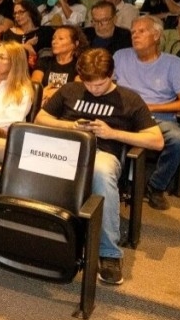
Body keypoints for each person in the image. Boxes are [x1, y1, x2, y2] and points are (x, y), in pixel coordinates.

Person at [36, 48, 163, 286]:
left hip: (101, 153)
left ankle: (109, 253)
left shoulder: (129, 99)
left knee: (101, 173)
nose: (94, 89)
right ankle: (33, 233)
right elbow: (40, 118)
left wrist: (112, 133)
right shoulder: (70, 90)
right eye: (89, 84)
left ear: (112, 74)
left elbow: (156, 140)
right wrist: (72, 126)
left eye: (101, 84)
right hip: (64, 150)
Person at [114, 16, 180, 210]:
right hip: (124, 115)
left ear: (157, 35)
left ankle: (156, 186)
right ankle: (113, 182)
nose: (135, 35)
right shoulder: (120, 56)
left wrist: (150, 107)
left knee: (179, 139)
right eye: (133, 32)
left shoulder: (173, 64)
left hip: (157, 118)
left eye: (142, 31)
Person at [31, 25, 88, 102]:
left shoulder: (80, 65)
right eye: (53, 38)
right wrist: (42, 94)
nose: (54, 42)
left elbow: (76, 91)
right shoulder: (44, 61)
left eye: (61, 39)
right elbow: (35, 85)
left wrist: (54, 93)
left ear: (75, 44)